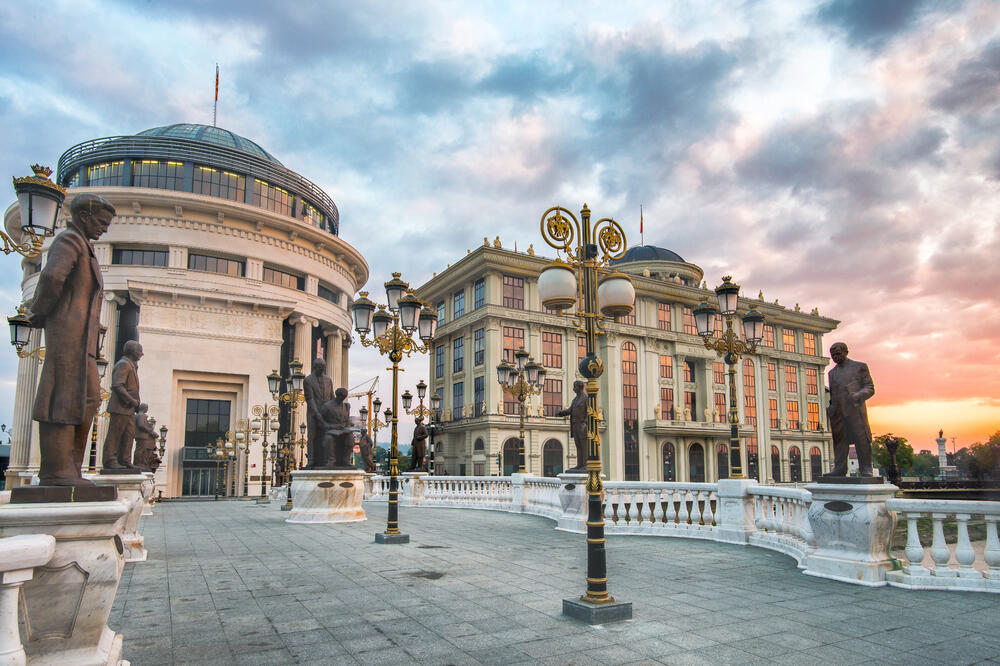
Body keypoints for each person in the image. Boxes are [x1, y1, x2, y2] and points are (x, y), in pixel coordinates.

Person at [29, 194, 114, 486]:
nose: (104, 229)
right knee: (62, 398)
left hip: (84, 341)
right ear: (84, 216)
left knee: (89, 399)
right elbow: (52, 277)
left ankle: (71, 468)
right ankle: (56, 471)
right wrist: (37, 313)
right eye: (102, 222)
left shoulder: (85, 247)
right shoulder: (68, 241)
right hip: (68, 334)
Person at [825, 342, 875, 477]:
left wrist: (858, 395)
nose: (836, 357)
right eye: (833, 355)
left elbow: (870, 388)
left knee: (861, 439)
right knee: (840, 442)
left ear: (846, 352)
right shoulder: (832, 373)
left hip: (855, 410)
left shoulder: (859, 367)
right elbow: (833, 393)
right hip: (838, 413)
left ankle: (866, 468)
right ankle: (840, 468)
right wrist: (831, 408)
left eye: (838, 353)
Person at [103, 340, 143, 471]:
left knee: (129, 434)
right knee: (115, 434)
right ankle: (110, 460)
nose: (141, 354)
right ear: (133, 352)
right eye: (139, 351)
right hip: (121, 407)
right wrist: (131, 400)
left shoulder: (131, 365)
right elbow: (117, 385)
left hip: (129, 409)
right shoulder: (124, 364)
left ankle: (125, 460)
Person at [303, 357, 334, 468]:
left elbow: (331, 397)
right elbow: (309, 399)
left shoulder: (328, 380)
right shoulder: (308, 380)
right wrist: (317, 414)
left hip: (326, 414)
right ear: (315, 367)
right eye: (320, 368)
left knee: (327, 435)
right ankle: (311, 459)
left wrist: (334, 411)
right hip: (313, 413)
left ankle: (327, 459)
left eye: (323, 368)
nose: (322, 370)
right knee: (312, 436)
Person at [319, 387, 356, 468]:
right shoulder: (327, 406)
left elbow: (347, 420)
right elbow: (320, 421)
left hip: (342, 430)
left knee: (350, 437)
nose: (342, 399)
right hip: (331, 430)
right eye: (342, 397)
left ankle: (346, 461)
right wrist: (330, 426)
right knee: (329, 438)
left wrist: (349, 426)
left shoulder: (346, 407)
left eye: (344, 397)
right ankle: (331, 460)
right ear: (337, 396)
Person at [557, 380, 588, 471]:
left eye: (575, 387)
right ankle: (579, 465)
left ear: (579, 387)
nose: (573, 389)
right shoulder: (575, 399)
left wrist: (585, 424)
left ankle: (585, 465)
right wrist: (560, 413)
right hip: (575, 425)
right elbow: (570, 410)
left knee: (584, 446)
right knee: (578, 445)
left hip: (582, 425)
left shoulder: (586, 398)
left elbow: (590, 412)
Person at [132, 403, 159, 471]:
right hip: (142, 435)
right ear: (144, 408)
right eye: (147, 408)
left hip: (140, 435)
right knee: (140, 450)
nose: (147, 409)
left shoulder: (138, 415)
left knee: (140, 449)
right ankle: (138, 463)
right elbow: (141, 425)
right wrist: (149, 429)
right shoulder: (141, 415)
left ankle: (139, 463)